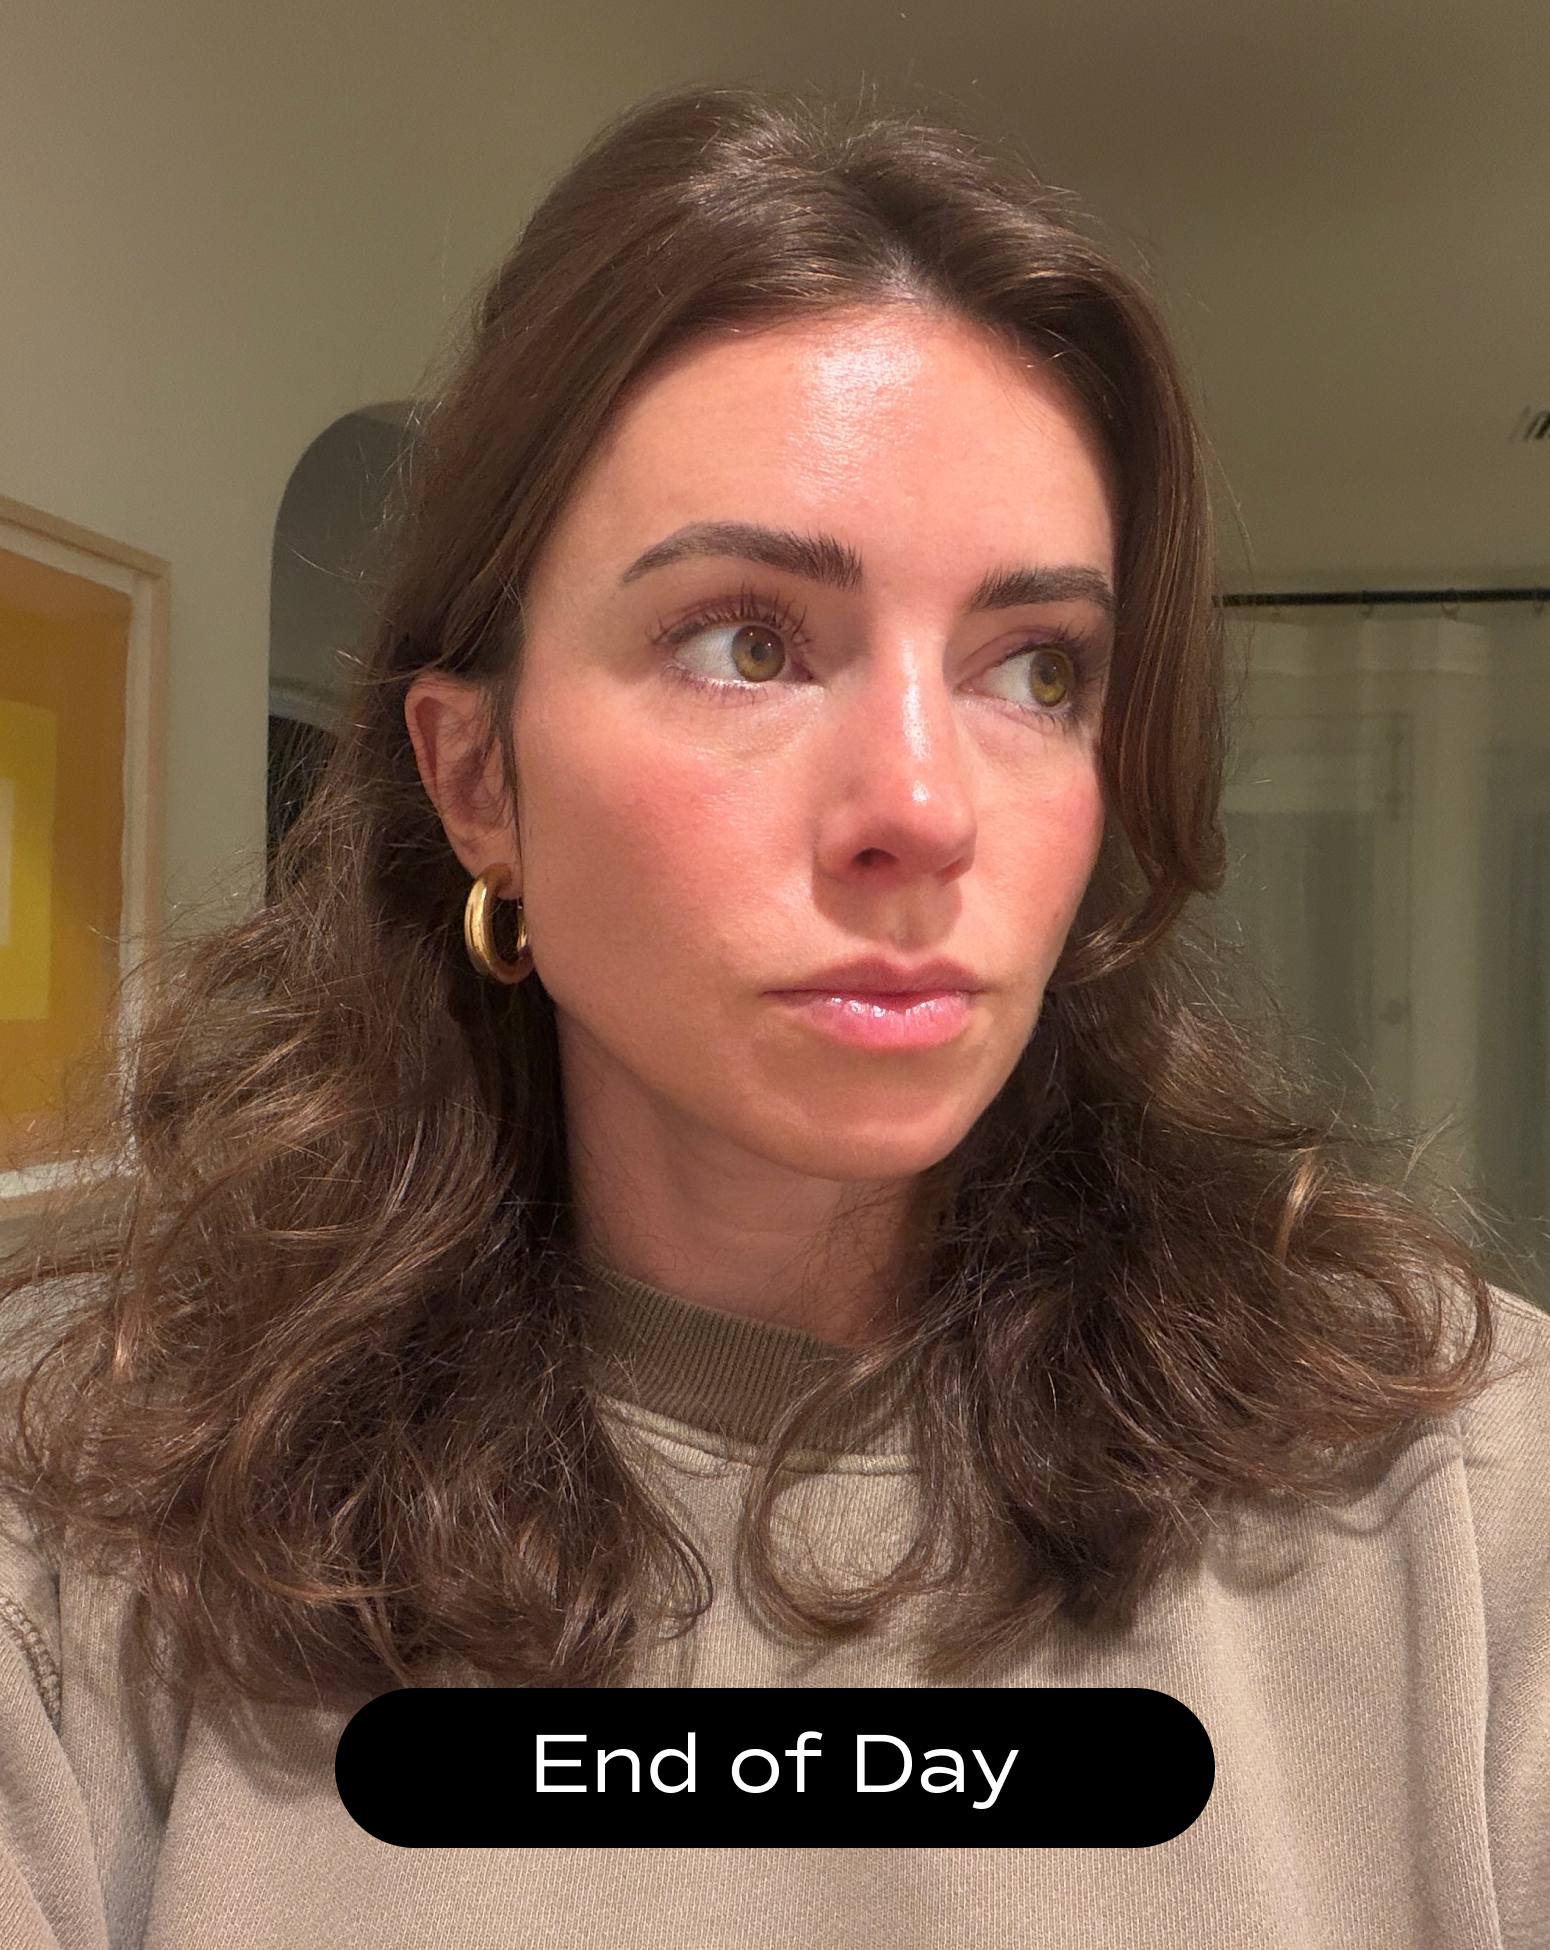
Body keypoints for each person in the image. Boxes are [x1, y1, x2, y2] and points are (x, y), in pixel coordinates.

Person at [1, 86, 1546, 1950]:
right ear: (477, 776)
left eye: (1034, 669)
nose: (922, 804)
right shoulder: (87, 1512)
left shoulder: (1462, 1509)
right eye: (748, 638)